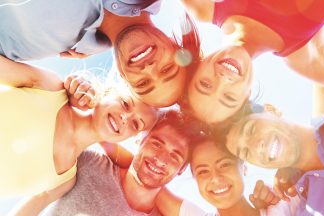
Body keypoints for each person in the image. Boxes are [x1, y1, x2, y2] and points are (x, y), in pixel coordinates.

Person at [224, 31, 324, 215]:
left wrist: (318, 38)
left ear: (271, 110)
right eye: (245, 152)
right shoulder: (303, 207)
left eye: (251, 129)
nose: (256, 145)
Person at [0, 55, 158, 199]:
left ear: (131, 138)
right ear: (109, 91)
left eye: (135, 124)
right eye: (125, 103)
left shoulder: (64, 181)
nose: (125, 117)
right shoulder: (49, 86)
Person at [0, 0, 200, 107]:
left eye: (142, 83)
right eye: (167, 69)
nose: (148, 69)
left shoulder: (65, 46)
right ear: (177, 47)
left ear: (123, 78)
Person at [180, 0, 324, 124]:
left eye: (205, 84)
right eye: (229, 97)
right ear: (246, 94)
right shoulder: (305, 56)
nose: (223, 79)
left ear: (197, 65)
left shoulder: (204, 6)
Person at [11, 110, 199, 215]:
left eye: (175, 156)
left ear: (181, 170)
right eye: (157, 144)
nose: (161, 159)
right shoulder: (88, 163)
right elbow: (38, 196)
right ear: (139, 141)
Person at [155, 134, 300, 216]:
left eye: (224, 164)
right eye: (203, 171)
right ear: (195, 179)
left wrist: (294, 168)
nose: (216, 178)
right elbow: (147, 182)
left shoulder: (284, 205)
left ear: (243, 167)